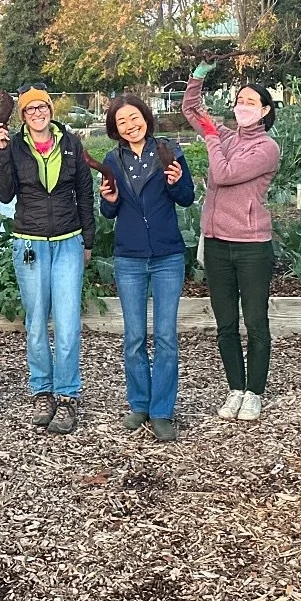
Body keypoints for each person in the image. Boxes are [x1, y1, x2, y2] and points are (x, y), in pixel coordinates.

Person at [0, 84, 95, 434]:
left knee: (67, 323)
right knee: (36, 322)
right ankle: (42, 390)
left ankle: (66, 396)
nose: (38, 113)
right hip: (30, 243)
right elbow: (4, 194)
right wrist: (1, 153)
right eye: (30, 109)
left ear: (51, 111)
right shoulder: (16, 146)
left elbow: (84, 193)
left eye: (43, 107)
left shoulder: (70, 143)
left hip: (68, 241)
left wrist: (88, 241)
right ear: (23, 116)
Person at [182, 59, 280, 422]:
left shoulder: (266, 148)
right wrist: (199, 76)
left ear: (265, 110)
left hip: (252, 246)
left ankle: (255, 391)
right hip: (217, 243)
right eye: (240, 100)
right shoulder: (224, 136)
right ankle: (235, 388)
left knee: (255, 321)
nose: (243, 106)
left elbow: (223, 174)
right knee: (225, 323)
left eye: (252, 102)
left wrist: (210, 136)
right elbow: (192, 110)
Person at [99, 94, 195, 441]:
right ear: (115, 128)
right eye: (121, 121)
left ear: (145, 117)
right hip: (130, 259)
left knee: (166, 337)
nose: (130, 125)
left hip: (167, 256)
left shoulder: (168, 151)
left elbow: (186, 197)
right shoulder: (113, 159)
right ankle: (139, 403)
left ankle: (162, 411)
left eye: (134, 117)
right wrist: (107, 201)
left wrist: (177, 181)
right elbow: (109, 210)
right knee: (135, 336)